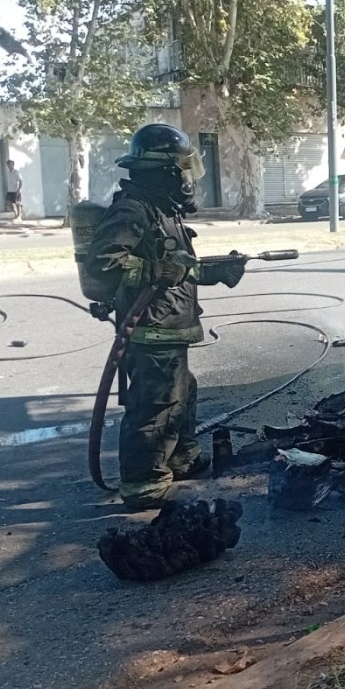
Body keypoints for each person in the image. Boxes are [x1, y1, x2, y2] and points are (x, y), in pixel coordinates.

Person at [85, 123, 246, 510]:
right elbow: (102, 266)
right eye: (183, 169)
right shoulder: (133, 210)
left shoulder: (161, 210)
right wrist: (155, 272)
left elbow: (178, 267)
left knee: (181, 392)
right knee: (156, 404)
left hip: (169, 328)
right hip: (150, 331)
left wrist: (217, 271)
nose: (189, 179)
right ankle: (144, 484)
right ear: (166, 171)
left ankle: (180, 457)